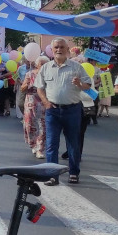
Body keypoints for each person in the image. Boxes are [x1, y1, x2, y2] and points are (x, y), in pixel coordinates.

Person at [34, 37, 92, 185]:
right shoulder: (46, 67)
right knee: (52, 144)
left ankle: (74, 172)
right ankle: (52, 175)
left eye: (61, 47)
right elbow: (39, 87)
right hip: (52, 110)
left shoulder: (76, 67)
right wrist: (46, 102)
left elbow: (87, 85)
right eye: (56, 48)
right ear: (52, 50)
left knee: (73, 143)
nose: (59, 50)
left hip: (72, 110)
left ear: (67, 49)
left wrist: (80, 83)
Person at [20, 57, 47, 158]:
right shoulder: (30, 74)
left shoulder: (48, 74)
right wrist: (27, 84)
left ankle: (40, 148)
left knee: (43, 126)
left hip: (44, 101)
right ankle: (33, 144)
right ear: (37, 64)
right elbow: (22, 89)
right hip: (31, 101)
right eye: (41, 63)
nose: (43, 65)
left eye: (45, 64)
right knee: (30, 125)